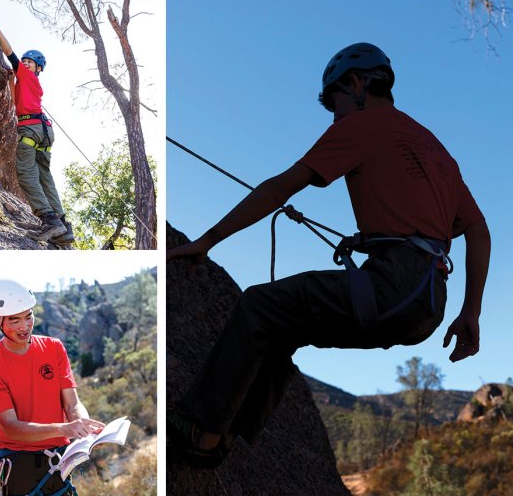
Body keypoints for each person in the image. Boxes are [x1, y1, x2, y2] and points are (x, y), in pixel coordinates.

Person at [167, 42, 491, 468]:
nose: (335, 116)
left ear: (355, 84)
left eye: (336, 103)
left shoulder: (361, 126)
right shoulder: (435, 150)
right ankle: (226, 433)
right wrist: (471, 312)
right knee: (288, 325)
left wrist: (208, 240)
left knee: (260, 305)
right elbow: (478, 230)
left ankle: (201, 431)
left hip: (393, 285)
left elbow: (281, 186)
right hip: (429, 302)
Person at [0, 279, 105, 496]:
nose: (25, 326)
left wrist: (83, 427)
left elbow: (72, 403)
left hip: (58, 459)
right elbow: (11, 428)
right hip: (19, 464)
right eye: (15, 320)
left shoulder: (54, 348)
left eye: (29, 316)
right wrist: (66, 429)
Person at [0, 5, 75, 246]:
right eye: (24, 61)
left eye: (29, 62)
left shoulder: (27, 74)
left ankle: (49, 220)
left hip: (31, 129)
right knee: (45, 176)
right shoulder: (27, 81)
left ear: (37, 68)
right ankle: (64, 228)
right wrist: (12, 81)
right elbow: (15, 103)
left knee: (26, 173)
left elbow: (8, 51)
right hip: (44, 130)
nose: (24, 63)